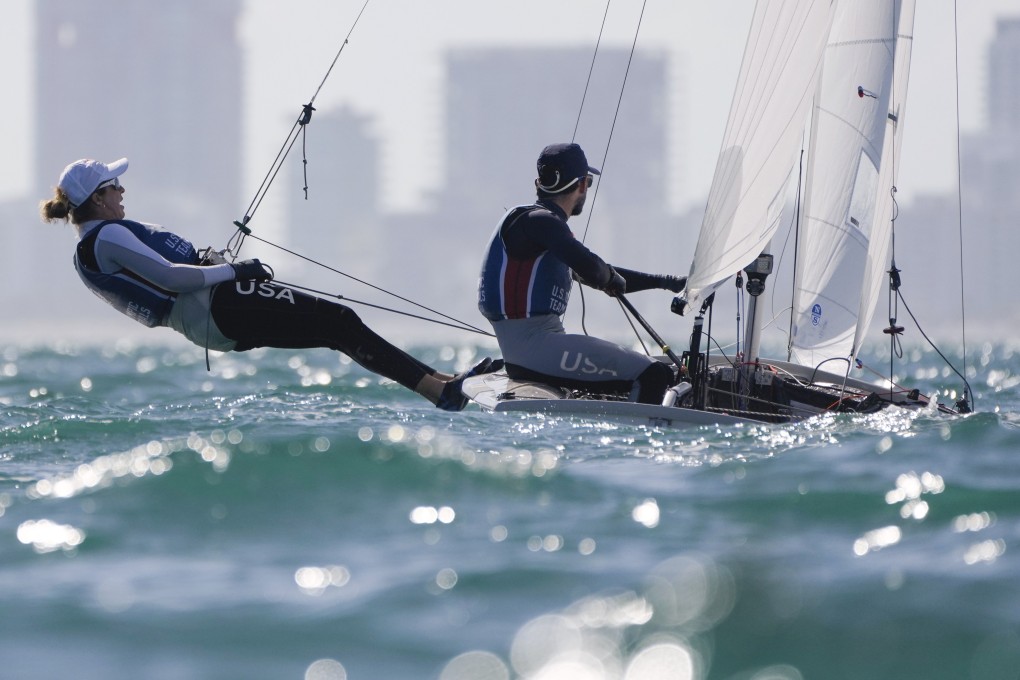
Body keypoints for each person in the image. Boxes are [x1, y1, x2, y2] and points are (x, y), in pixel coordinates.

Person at [40, 157, 488, 411]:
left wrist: (217, 267)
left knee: (336, 326)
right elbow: (171, 278)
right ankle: (437, 390)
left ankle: (438, 381)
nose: (122, 193)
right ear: (97, 197)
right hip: (217, 305)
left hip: (210, 318)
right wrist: (237, 271)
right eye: (114, 186)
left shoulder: (90, 247)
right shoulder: (108, 235)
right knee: (339, 320)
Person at [477, 142, 686, 404]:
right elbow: (594, 270)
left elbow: (598, 271)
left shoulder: (534, 228)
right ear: (583, 185)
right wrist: (608, 278)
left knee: (638, 373)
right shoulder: (540, 222)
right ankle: (642, 443)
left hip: (528, 350)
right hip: (537, 349)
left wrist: (667, 283)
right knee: (655, 374)